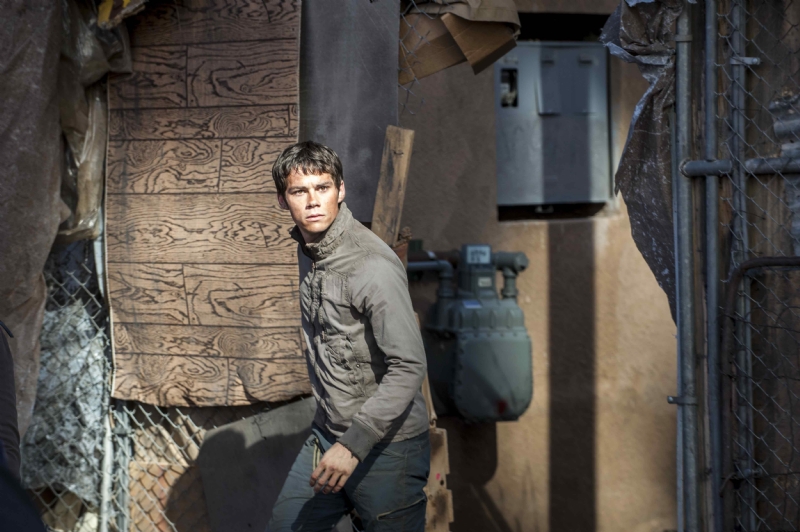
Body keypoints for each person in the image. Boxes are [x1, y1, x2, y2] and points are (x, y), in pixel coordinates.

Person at [267, 141, 430, 532]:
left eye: (322, 188)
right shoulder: (312, 250)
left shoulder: (371, 265)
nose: (312, 201)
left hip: (387, 447)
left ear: (340, 190)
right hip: (328, 434)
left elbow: (409, 366)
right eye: (299, 191)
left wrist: (354, 444)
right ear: (282, 200)